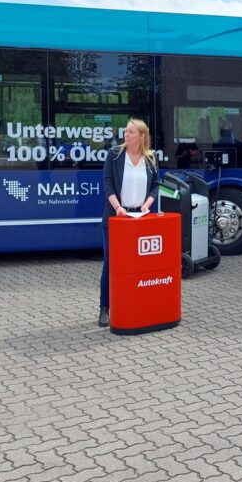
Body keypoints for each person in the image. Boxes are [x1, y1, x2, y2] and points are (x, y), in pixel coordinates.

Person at [98, 118, 158, 326]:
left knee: (139, 264)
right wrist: (118, 207)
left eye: (131, 132)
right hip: (117, 218)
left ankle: (136, 304)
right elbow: (107, 184)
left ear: (141, 136)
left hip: (140, 219)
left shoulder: (150, 158)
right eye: (126, 131)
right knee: (111, 263)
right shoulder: (114, 155)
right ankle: (105, 307)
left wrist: (148, 204)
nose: (126, 135)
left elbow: (155, 186)